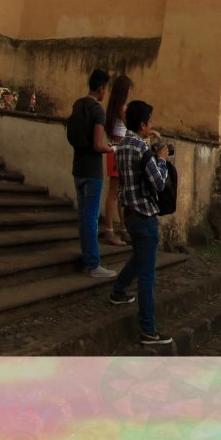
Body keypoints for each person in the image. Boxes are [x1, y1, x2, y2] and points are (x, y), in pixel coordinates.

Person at [109, 99, 173, 345]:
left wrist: (154, 149)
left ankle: (118, 291)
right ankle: (148, 329)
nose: (152, 126)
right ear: (144, 124)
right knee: (147, 276)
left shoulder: (124, 144)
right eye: (150, 123)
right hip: (145, 217)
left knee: (138, 257)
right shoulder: (143, 151)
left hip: (129, 216)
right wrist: (162, 160)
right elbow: (159, 183)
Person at [70, 68, 118, 279]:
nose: (105, 92)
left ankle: (86, 255)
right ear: (101, 88)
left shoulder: (78, 104)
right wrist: (112, 148)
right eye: (105, 88)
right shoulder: (98, 110)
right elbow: (98, 144)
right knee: (90, 218)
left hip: (78, 167)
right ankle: (92, 263)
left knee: (84, 216)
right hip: (92, 170)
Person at [100, 75, 133, 247]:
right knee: (114, 193)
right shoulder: (122, 108)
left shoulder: (113, 107)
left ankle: (122, 227)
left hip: (116, 148)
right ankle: (110, 230)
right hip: (118, 150)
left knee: (119, 193)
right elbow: (133, 127)